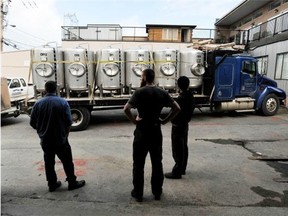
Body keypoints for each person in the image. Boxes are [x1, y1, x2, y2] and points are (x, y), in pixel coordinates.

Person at [124, 68, 180, 202]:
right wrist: (165, 121)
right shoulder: (161, 92)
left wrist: (134, 121)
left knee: (138, 164)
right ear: (153, 78)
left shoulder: (139, 92)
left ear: (144, 77)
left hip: (142, 131)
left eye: (141, 77)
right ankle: (157, 192)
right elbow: (177, 108)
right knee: (157, 162)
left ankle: (138, 193)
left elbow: (126, 109)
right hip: (155, 131)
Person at [30, 81, 86, 192]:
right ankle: (72, 182)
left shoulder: (38, 104)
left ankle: (52, 184)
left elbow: (32, 123)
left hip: (45, 140)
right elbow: (69, 122)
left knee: (49, 163)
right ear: (56, 89)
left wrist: (42, 132)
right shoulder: (62, 103)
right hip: (60, 140)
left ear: (45, 90)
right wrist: (65, 135)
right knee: (67, 162)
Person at [165, 76, 195, 179]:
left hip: (178, 126)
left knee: (177, 149)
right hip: (185, 125)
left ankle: (176, 171)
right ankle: (182, 168)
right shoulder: (190, 95)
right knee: (184, 147)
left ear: (179, 85)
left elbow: (174, 110)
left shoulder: (181, 98)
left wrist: (165, 120)